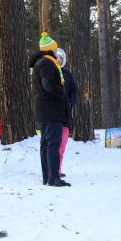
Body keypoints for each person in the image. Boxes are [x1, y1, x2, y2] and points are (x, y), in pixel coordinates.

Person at [28, 32, 71, 187]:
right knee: (52, 143)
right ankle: (53, 178)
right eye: (55, 49)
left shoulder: (41, 62)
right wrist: (61, 93)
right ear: (50, 49)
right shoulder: (47, 63)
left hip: (45, 108)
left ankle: (48, 177)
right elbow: (48, 84)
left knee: (46, 143)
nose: (56, 52)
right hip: (50, 109)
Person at [55, 48, 78, 178]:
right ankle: (53, 170)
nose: (58, 60)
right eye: (56, 57)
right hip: (53, 115)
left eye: (61, 58)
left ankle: (58, 169)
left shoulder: (67, 74)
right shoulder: (50, 73)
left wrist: (70, 102)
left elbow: (74, 90)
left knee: (62, 145)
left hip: (66, 115)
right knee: (54, 145)